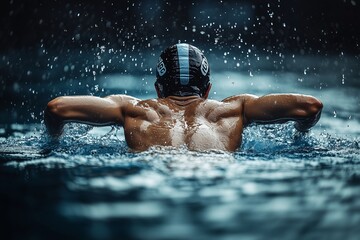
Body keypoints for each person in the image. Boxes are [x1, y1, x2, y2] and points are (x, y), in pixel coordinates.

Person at [44, 43, 323, 152]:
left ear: (158, 89)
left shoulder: (134, 109)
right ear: (207, 90)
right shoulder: (234, 108)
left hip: (156, 175)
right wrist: (299, 137)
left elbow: (57, 108)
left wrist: (53, 143)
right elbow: (309, 106)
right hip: (216, 178)